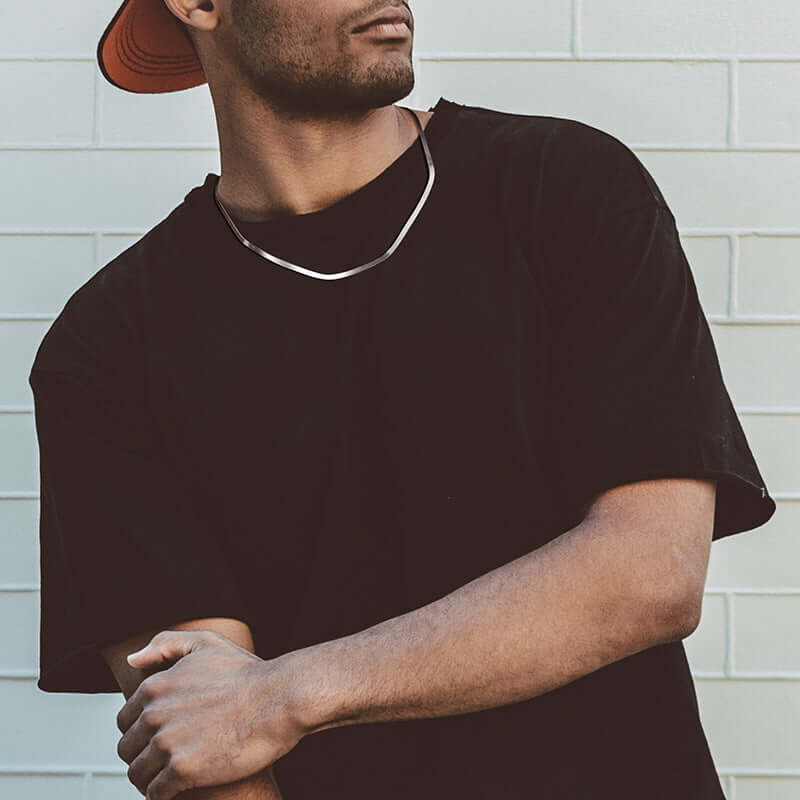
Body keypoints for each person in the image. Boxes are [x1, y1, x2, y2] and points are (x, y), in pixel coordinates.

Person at [28, 0, 776, 798]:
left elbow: (650, 573)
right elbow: (209, 740)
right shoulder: (105, 349)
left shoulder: (565, 185)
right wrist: (250, 713)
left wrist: (286, 694)